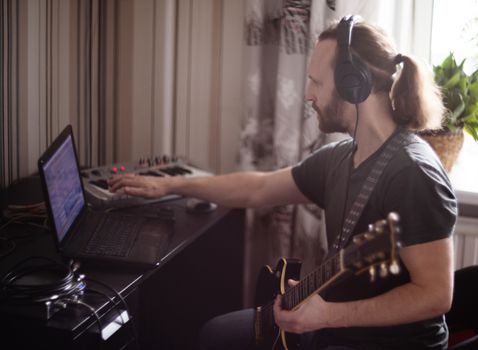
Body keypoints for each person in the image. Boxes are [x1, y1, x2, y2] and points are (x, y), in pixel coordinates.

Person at [108, 15, 456, 350]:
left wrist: (330, 315)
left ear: (355, 85)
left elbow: (436, 295)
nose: (308, 95)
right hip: (334, 324)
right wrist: (171, 187)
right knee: (215, 334)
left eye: (317, 83)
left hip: (385, 343)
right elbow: (259, 188)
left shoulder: (412, 173)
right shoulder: (339, 158)